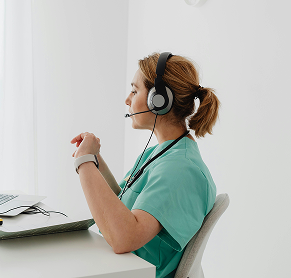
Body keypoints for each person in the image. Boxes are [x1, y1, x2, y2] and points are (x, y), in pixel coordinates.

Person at [70, 52, 219, 278]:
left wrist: (84, 163)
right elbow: (124, 205)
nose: (127, 99)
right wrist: (96, 161)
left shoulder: (180, 169)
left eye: (134, 90)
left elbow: (124, 237)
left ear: (159, 100)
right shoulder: (163, 153)